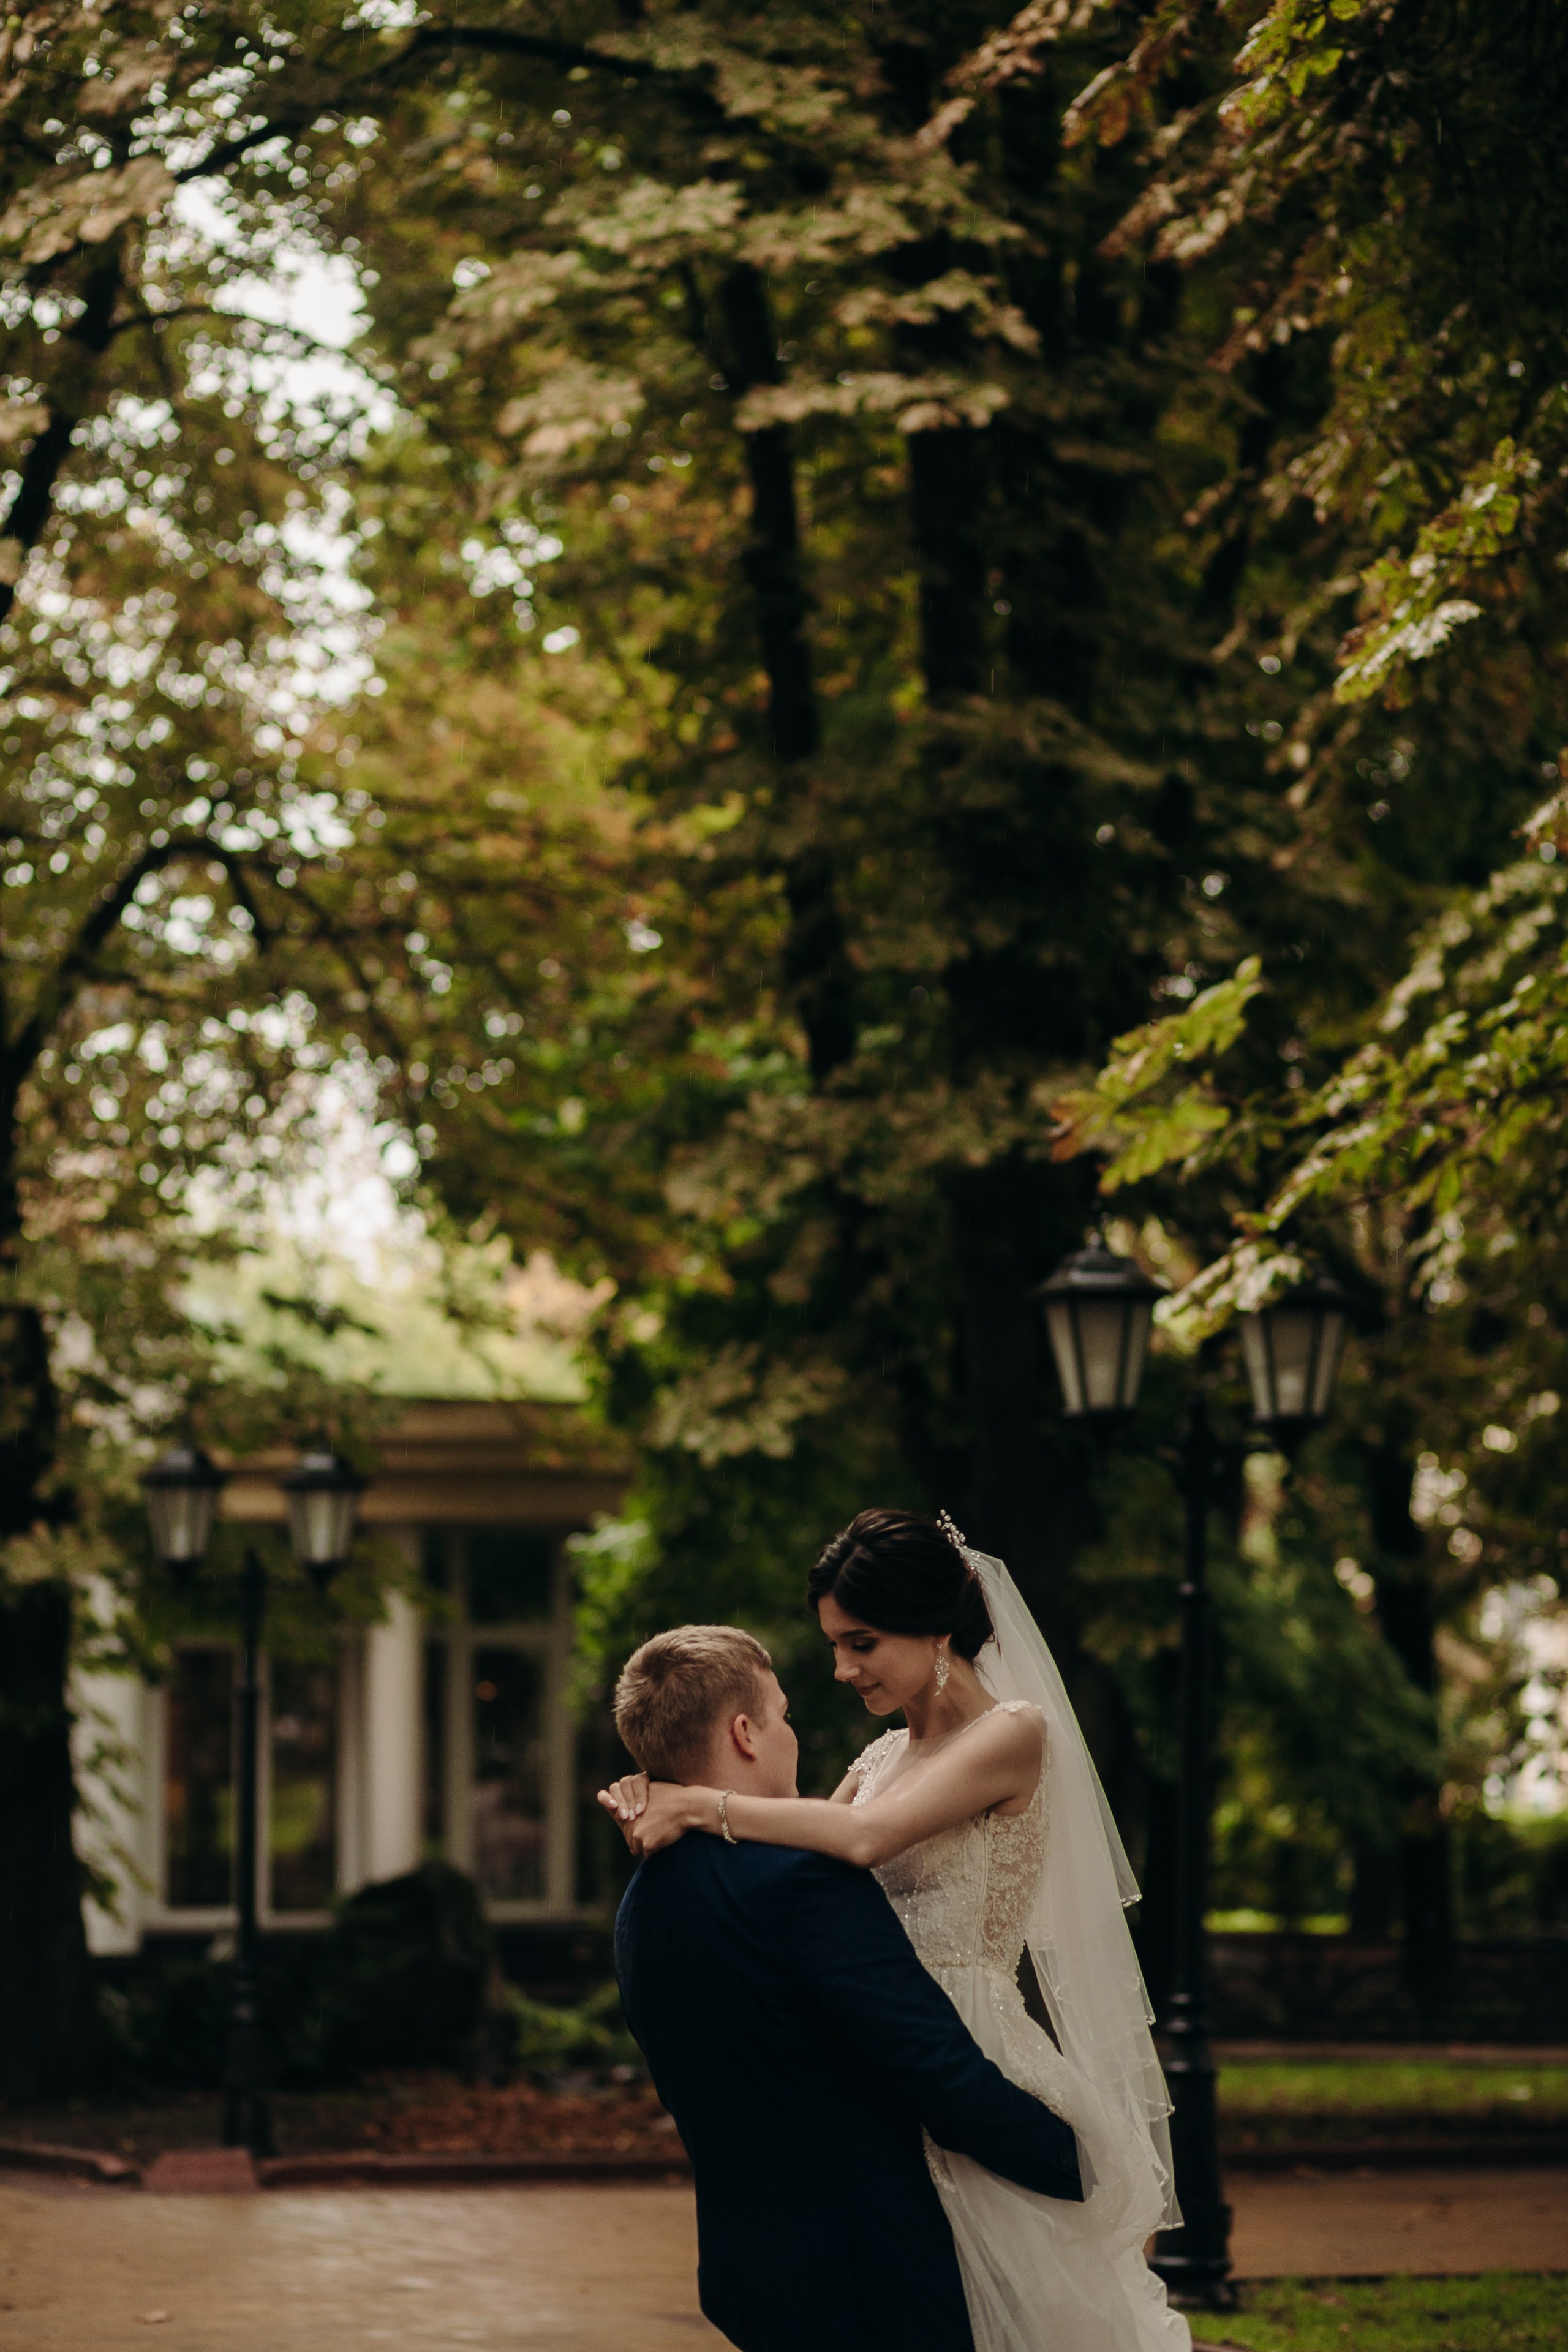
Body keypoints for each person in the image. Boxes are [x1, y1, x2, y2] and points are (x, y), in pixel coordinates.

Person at [602, 1512, 1191, 2352]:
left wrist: (696, 1801)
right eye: (836, 1646)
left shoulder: (1014, 1733)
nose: (841, 1670)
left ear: (935, 1629)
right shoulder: (878, 1760)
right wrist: (659, 1791)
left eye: (861, 1643)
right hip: (890, 2059)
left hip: (971, 2053)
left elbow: (858, 1843)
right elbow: (797, 1874)